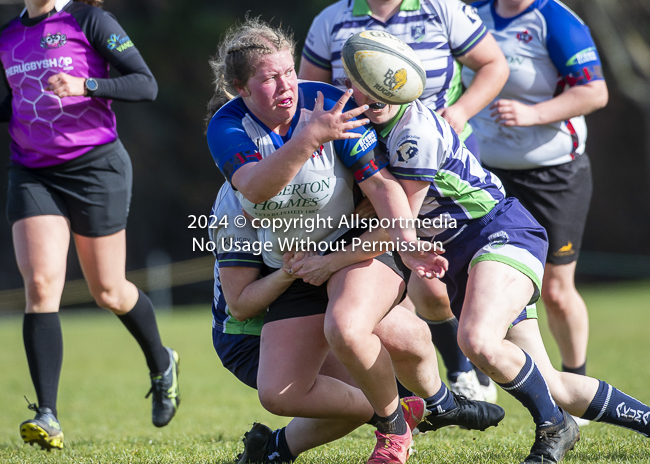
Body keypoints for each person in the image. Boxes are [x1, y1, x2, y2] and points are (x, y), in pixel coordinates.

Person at [206, 19, 503, 464]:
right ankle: (414, 409)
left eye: (289, 71)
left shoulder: (325, 102)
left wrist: (406, 239)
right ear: (240, 88)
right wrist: (310, 138)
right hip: (300, 264)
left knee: (373, 330)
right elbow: (256, 188)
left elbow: (381, 185)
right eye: (268, 78)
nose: (286, 85)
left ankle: (416, 415)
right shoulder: (228, 127)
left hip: (354, 242)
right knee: (279, 393)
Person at [344, 48, 650, 463]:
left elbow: (402, 223)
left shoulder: (412, 132)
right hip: (460, 259)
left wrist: (329, 258)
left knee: (477, 340)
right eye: (360, 86)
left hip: (498, 235)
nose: (371, 96)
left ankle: (553, 426)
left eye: (382, 87)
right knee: (552, 384)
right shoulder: (359, 129)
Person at [299, 0, 510, 401]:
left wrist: (461, 112)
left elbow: (494, 64)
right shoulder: (330, 20)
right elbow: (311, 97)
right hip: (373, 162)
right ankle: (449, 376)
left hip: (442, 161)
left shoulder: (442, 9)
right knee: (421, 284)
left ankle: (471, 367)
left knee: (445, 281)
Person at [0, 0, 180, 451]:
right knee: (41, 284)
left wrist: (86, 84)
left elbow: (146, 84)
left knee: (108, 291)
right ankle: (48, 415)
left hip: (96, 167)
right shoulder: (7, 36)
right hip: (32, 170)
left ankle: (162, 361)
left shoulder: (90, 20)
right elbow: (14, 103)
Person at [460, 0, 609, 400]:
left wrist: (534, 113)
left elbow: (595, 92)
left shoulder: (556, 20)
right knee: (475, 274)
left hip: (554, 174)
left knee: (557, 291)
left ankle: (574, 383)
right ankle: (477, 378)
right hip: (488, 173)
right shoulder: (471, 13)